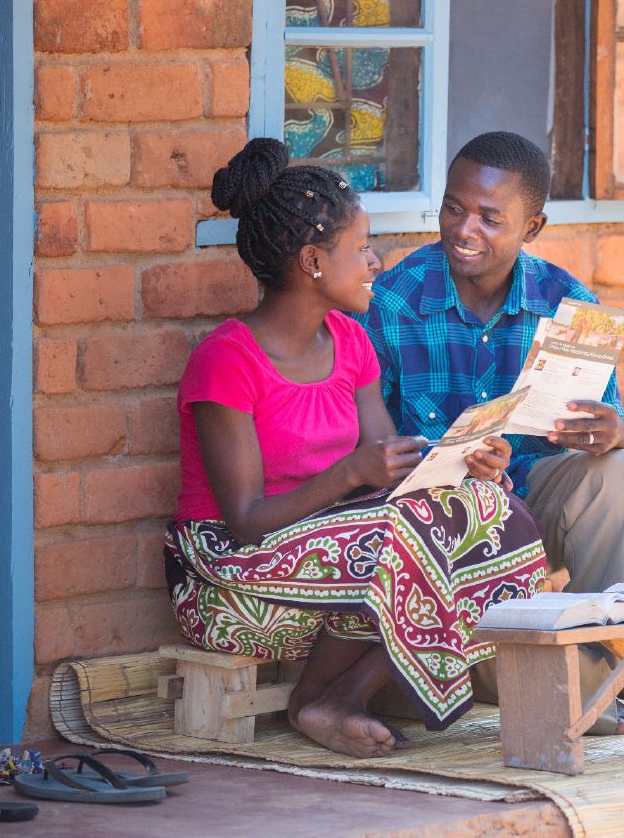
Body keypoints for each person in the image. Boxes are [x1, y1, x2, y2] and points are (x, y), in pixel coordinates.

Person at [164, 138, 547, 759]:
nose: (376, 261)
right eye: (361, 248)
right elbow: (243, 520)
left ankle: (332, 697)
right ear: (313, 261)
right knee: (400, 542)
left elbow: (387, 470)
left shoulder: (350, 341)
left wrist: (465, 466)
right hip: (225, 570)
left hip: (332, 542)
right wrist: (350, 476)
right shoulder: (226, 360)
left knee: (490, 512)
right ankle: (319, 698)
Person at [356, 131, 624, 735]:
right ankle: (552, 684)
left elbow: (622, 435)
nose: (464, 229)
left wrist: (616, 431)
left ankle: (588, 670)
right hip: (437, 526)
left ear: (534, 226)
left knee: (620, 473)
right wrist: (457, 469)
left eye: (490, 218)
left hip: (531, 509)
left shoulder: (567, 301)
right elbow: (366, 449)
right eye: (453, 207)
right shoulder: (391, 301)